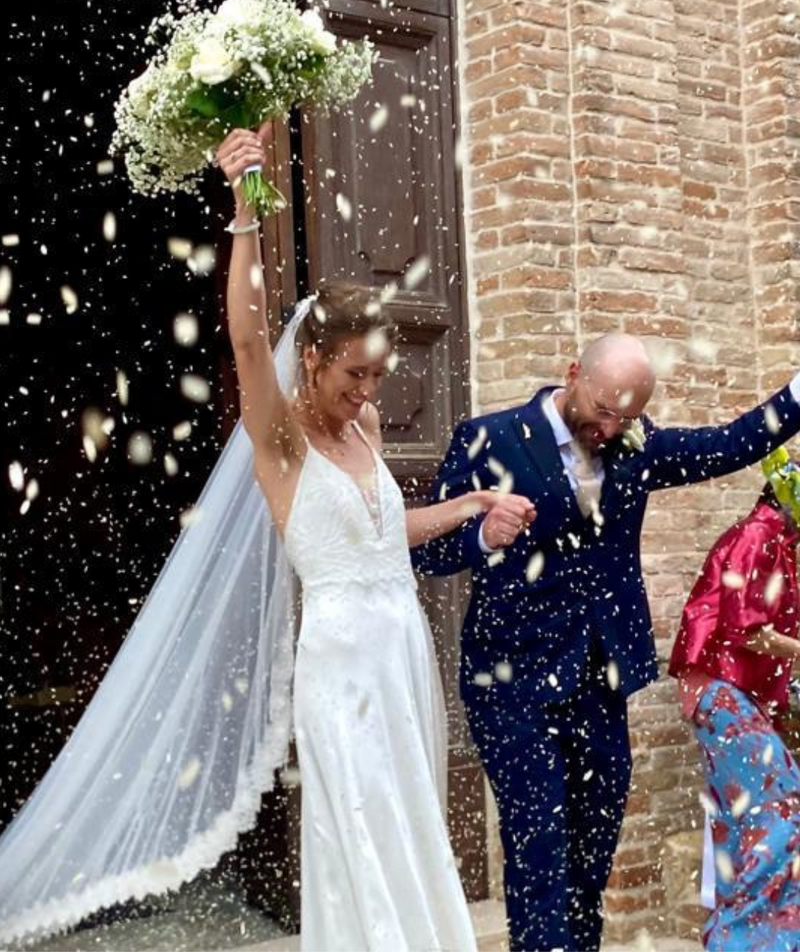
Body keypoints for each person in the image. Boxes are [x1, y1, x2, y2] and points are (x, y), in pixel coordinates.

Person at [0, 122, 535, 951]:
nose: (367, 392)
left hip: (398, 651)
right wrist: (245, 210)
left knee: (409, 819)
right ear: (313, 356)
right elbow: (249, 338)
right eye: (355, 373)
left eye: (377, 376)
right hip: (340, 661)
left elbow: (382, 537)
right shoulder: (280, 440)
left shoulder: (367, 437)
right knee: (359, 828)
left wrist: (467, 507)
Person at [412, 335, 800, 952]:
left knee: (591, 859)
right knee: (539, 853)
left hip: (600, 682)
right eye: (603, 409)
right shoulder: (490, 438)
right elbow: (429, 551)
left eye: (628, 415)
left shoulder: (635, 446)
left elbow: (731, 444)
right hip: (512, 686)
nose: (611, 426)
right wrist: (483, 536)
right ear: (574, 375)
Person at [669, 447, 800, 951]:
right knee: (783, 811)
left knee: (742, 821)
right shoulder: (758, 534)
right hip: (720, 689)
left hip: (732, 694)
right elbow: (746, 630)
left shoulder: (778, 541)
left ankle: (736, 938)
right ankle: (744, 939)